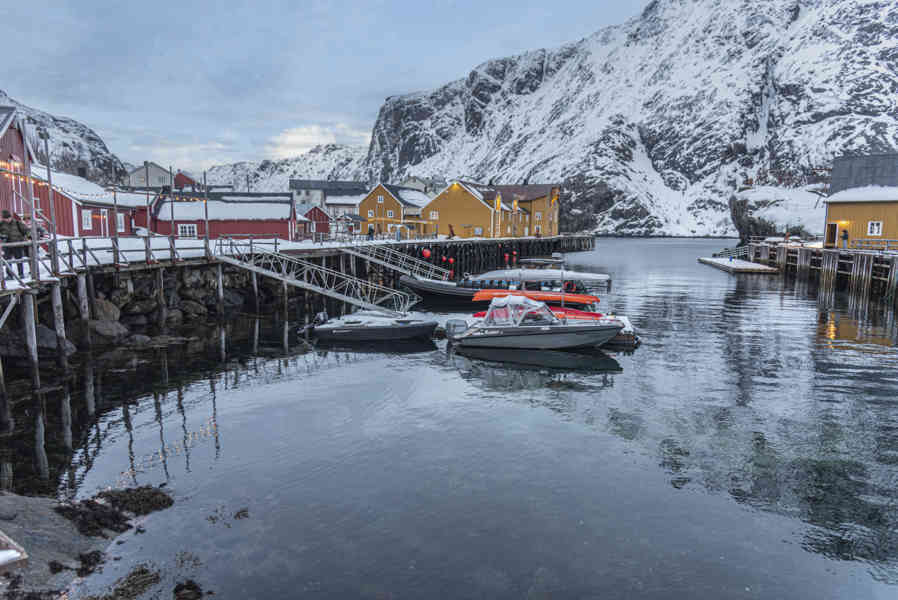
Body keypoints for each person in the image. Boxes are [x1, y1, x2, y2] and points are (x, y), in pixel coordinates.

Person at [0, 210, 31, 278]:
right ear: (3, 218)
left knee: (19, 260)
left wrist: (29, 236)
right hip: (6, 245)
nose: (7, 219)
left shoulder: (17, 223)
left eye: (8, 218)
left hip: (17, 244)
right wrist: (2, 236)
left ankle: (21, 274)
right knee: (7, 260)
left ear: (11, 217)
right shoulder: (1, 224)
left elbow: (26, 230)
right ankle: (9, 275)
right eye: (5, 218)